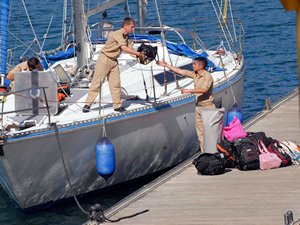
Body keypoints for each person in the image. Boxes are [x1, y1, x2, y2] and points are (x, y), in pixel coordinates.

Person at [83, 17, 144, 113]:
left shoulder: (126, 37)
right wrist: (138, 54)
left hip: (114, 61)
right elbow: (123, 48)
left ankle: (117, 106)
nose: (133, 29)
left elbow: (131, 51)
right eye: (132, 27)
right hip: (104, 59)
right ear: (126, 26)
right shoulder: (116, 34)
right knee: (97, 82)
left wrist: (141, 55)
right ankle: (87, 104)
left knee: (115, 84)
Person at [157, 57, 215, 151]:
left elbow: (204, 90)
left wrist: (189, 90)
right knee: (200, 133)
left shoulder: (207, 76)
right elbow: (181, 71)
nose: (192, 65)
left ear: (201, 66)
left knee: (211, 131)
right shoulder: (195, 75)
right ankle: (204, 153)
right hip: (198, 107)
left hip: (207, 107)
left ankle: (214, 152)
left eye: (194, 64)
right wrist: (166, 65)